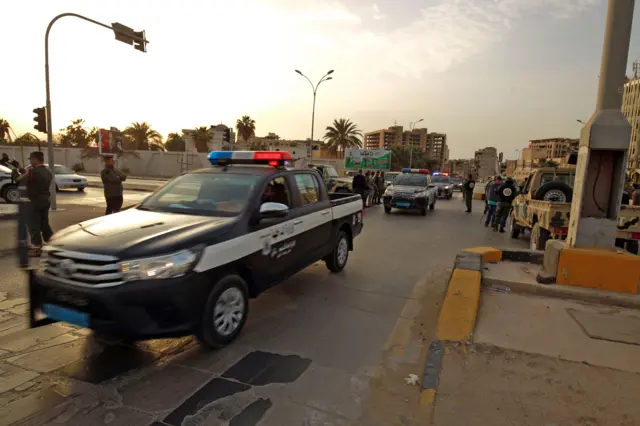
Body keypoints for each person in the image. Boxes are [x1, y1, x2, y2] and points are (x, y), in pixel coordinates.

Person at [18, 151, 53, 257]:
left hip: (34, 201)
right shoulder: (48, 171)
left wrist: (16, 171)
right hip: (45, 200)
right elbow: (34, 179)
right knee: (44, 223)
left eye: (31, 159)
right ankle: (53, 242)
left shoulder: (32, 171)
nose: (30, 162)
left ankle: (37, 248)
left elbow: (20, 181)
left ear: (35, 159)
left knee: (34, 224)